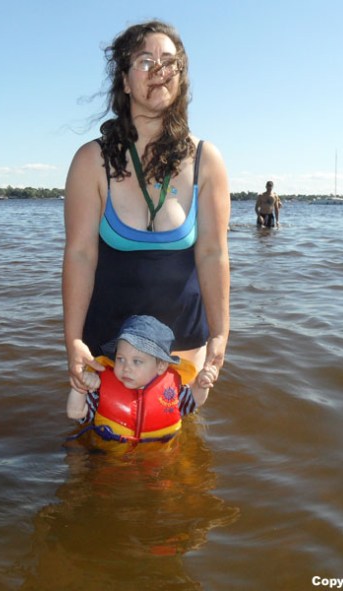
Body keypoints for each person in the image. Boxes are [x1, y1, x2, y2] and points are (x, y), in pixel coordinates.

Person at [62, 21, 230, 394]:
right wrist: (73, 340)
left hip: (184, 348)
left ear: (180, 77)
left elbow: (213, 252)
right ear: (124, 81)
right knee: (98, 448)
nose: (158, 70)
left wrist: (220, 332)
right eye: (144, 61)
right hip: (106, 348)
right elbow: (80, 254)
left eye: (168, 62)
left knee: (178, 447)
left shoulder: (207, 161)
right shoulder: (91, 161)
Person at [66, 315, 217, 443]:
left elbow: (194, 401)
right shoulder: (100, 390)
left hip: (159, 457)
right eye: (120, 359)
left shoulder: (173, 390)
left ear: (161, 366)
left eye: (137, 361)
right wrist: (81, 388)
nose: (126, 367)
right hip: (111, 456)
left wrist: (202, 385)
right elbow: (74, 413)